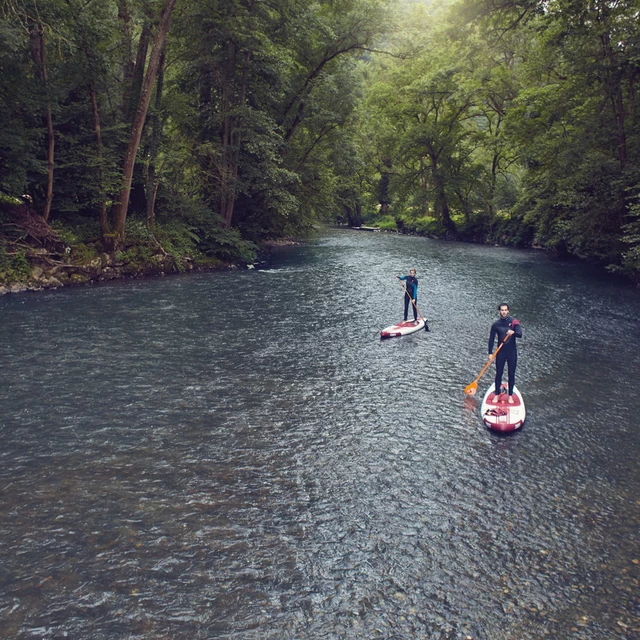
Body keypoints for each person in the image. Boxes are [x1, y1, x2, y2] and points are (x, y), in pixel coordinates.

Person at [488, 303, 522, 403]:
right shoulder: (496, 324)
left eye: (505, 310)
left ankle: (510, 395)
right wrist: (490, 353)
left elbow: (520, 334)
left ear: (508, 311)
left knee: (511, 373)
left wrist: (513, 332)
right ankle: (497, 394)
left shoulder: (514, 322)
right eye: (502, 310)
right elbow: (491, 339)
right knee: (499, 373)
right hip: (500, 353)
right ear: (499, 311)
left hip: (511, 352)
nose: (504, 312)